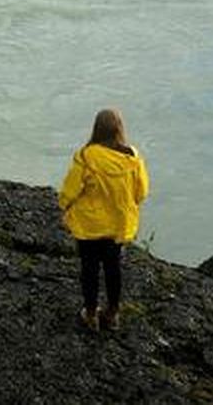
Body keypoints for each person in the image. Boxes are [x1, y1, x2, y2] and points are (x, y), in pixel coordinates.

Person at [58, 108, 150, 333]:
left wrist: (64, 206)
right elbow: (142, 192)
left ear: (96, 128)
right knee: (113, 268)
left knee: (89, 268)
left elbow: (70, 191)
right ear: (119, 129)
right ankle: (113, 313)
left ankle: (90, 315)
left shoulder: (86, 157)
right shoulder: (132, 159)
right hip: (118, 226)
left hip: (89, 226)